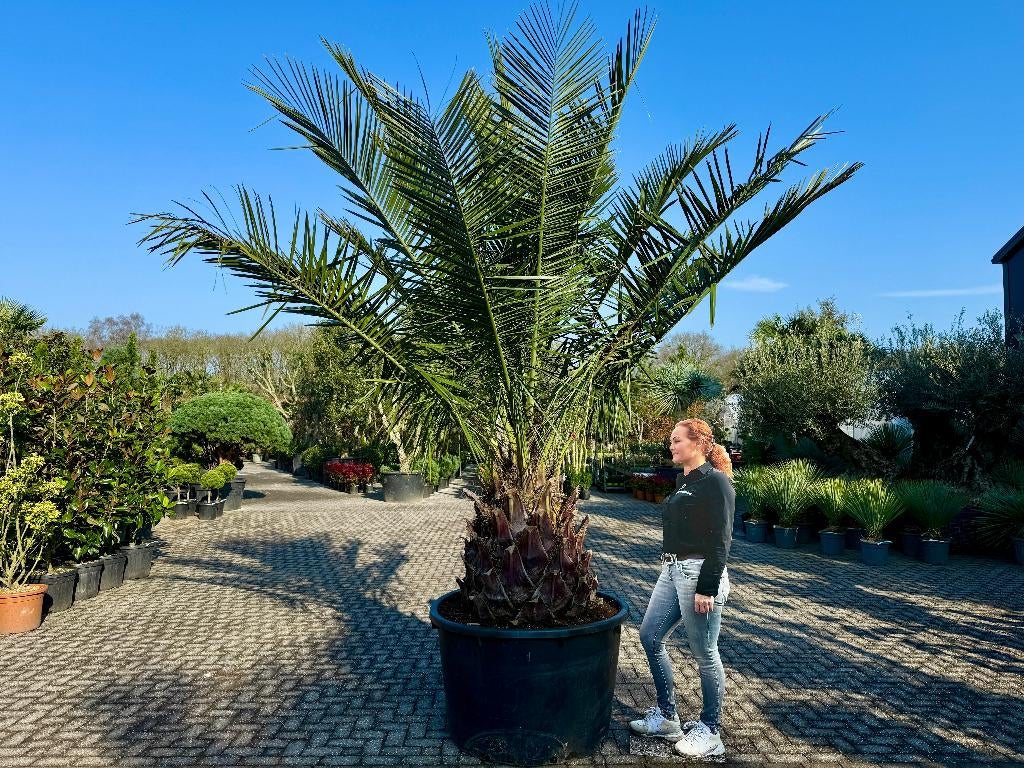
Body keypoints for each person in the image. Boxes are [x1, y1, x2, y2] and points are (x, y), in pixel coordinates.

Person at [628, 418, 735, 759]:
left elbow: (721, 540)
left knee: (704, 652)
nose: (671, 446)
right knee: (649, 636)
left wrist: (707, 587)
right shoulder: (683, 481)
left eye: (676, 441)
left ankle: (711, 730)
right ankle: (668, 717)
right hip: (672, 569)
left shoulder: (716, 482)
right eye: (671, 441)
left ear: (698, 443)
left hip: (700, 573)